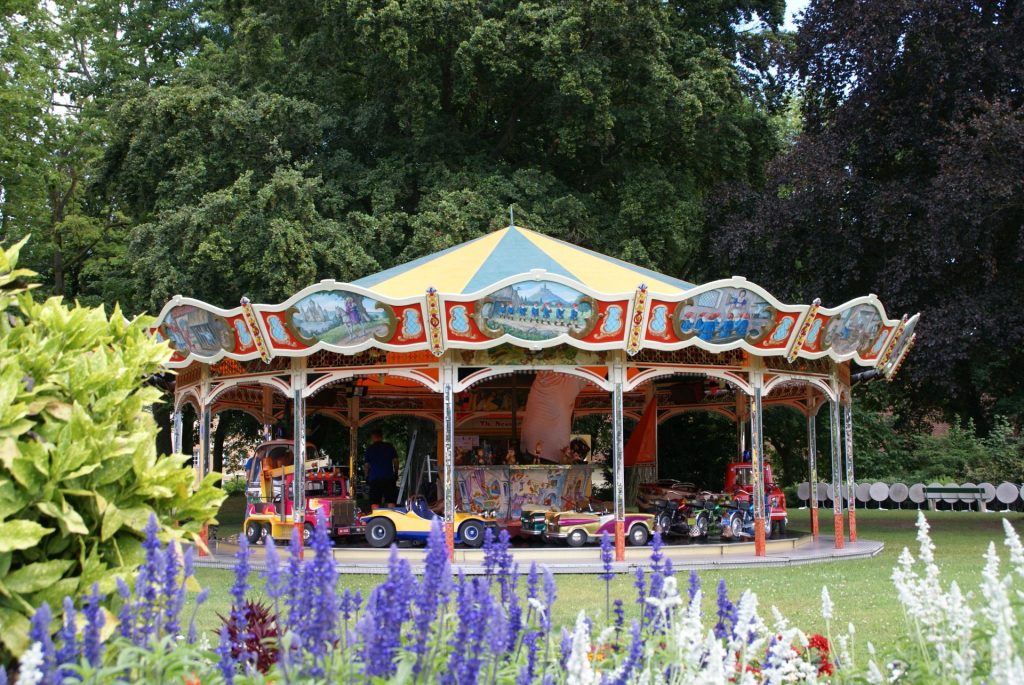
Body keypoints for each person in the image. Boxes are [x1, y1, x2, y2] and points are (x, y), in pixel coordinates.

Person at [364, 429, 399, 507]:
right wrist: (396, 473)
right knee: (391, 500)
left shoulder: (370, 449)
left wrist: (366, 476)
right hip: (388, 477)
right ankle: (391, 517)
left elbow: (367, 465)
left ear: (372, 437)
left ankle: (376, 518)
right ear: (382, 437)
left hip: (374, 478)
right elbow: (396, 461)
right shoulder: (389, 446)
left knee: (375, 501)